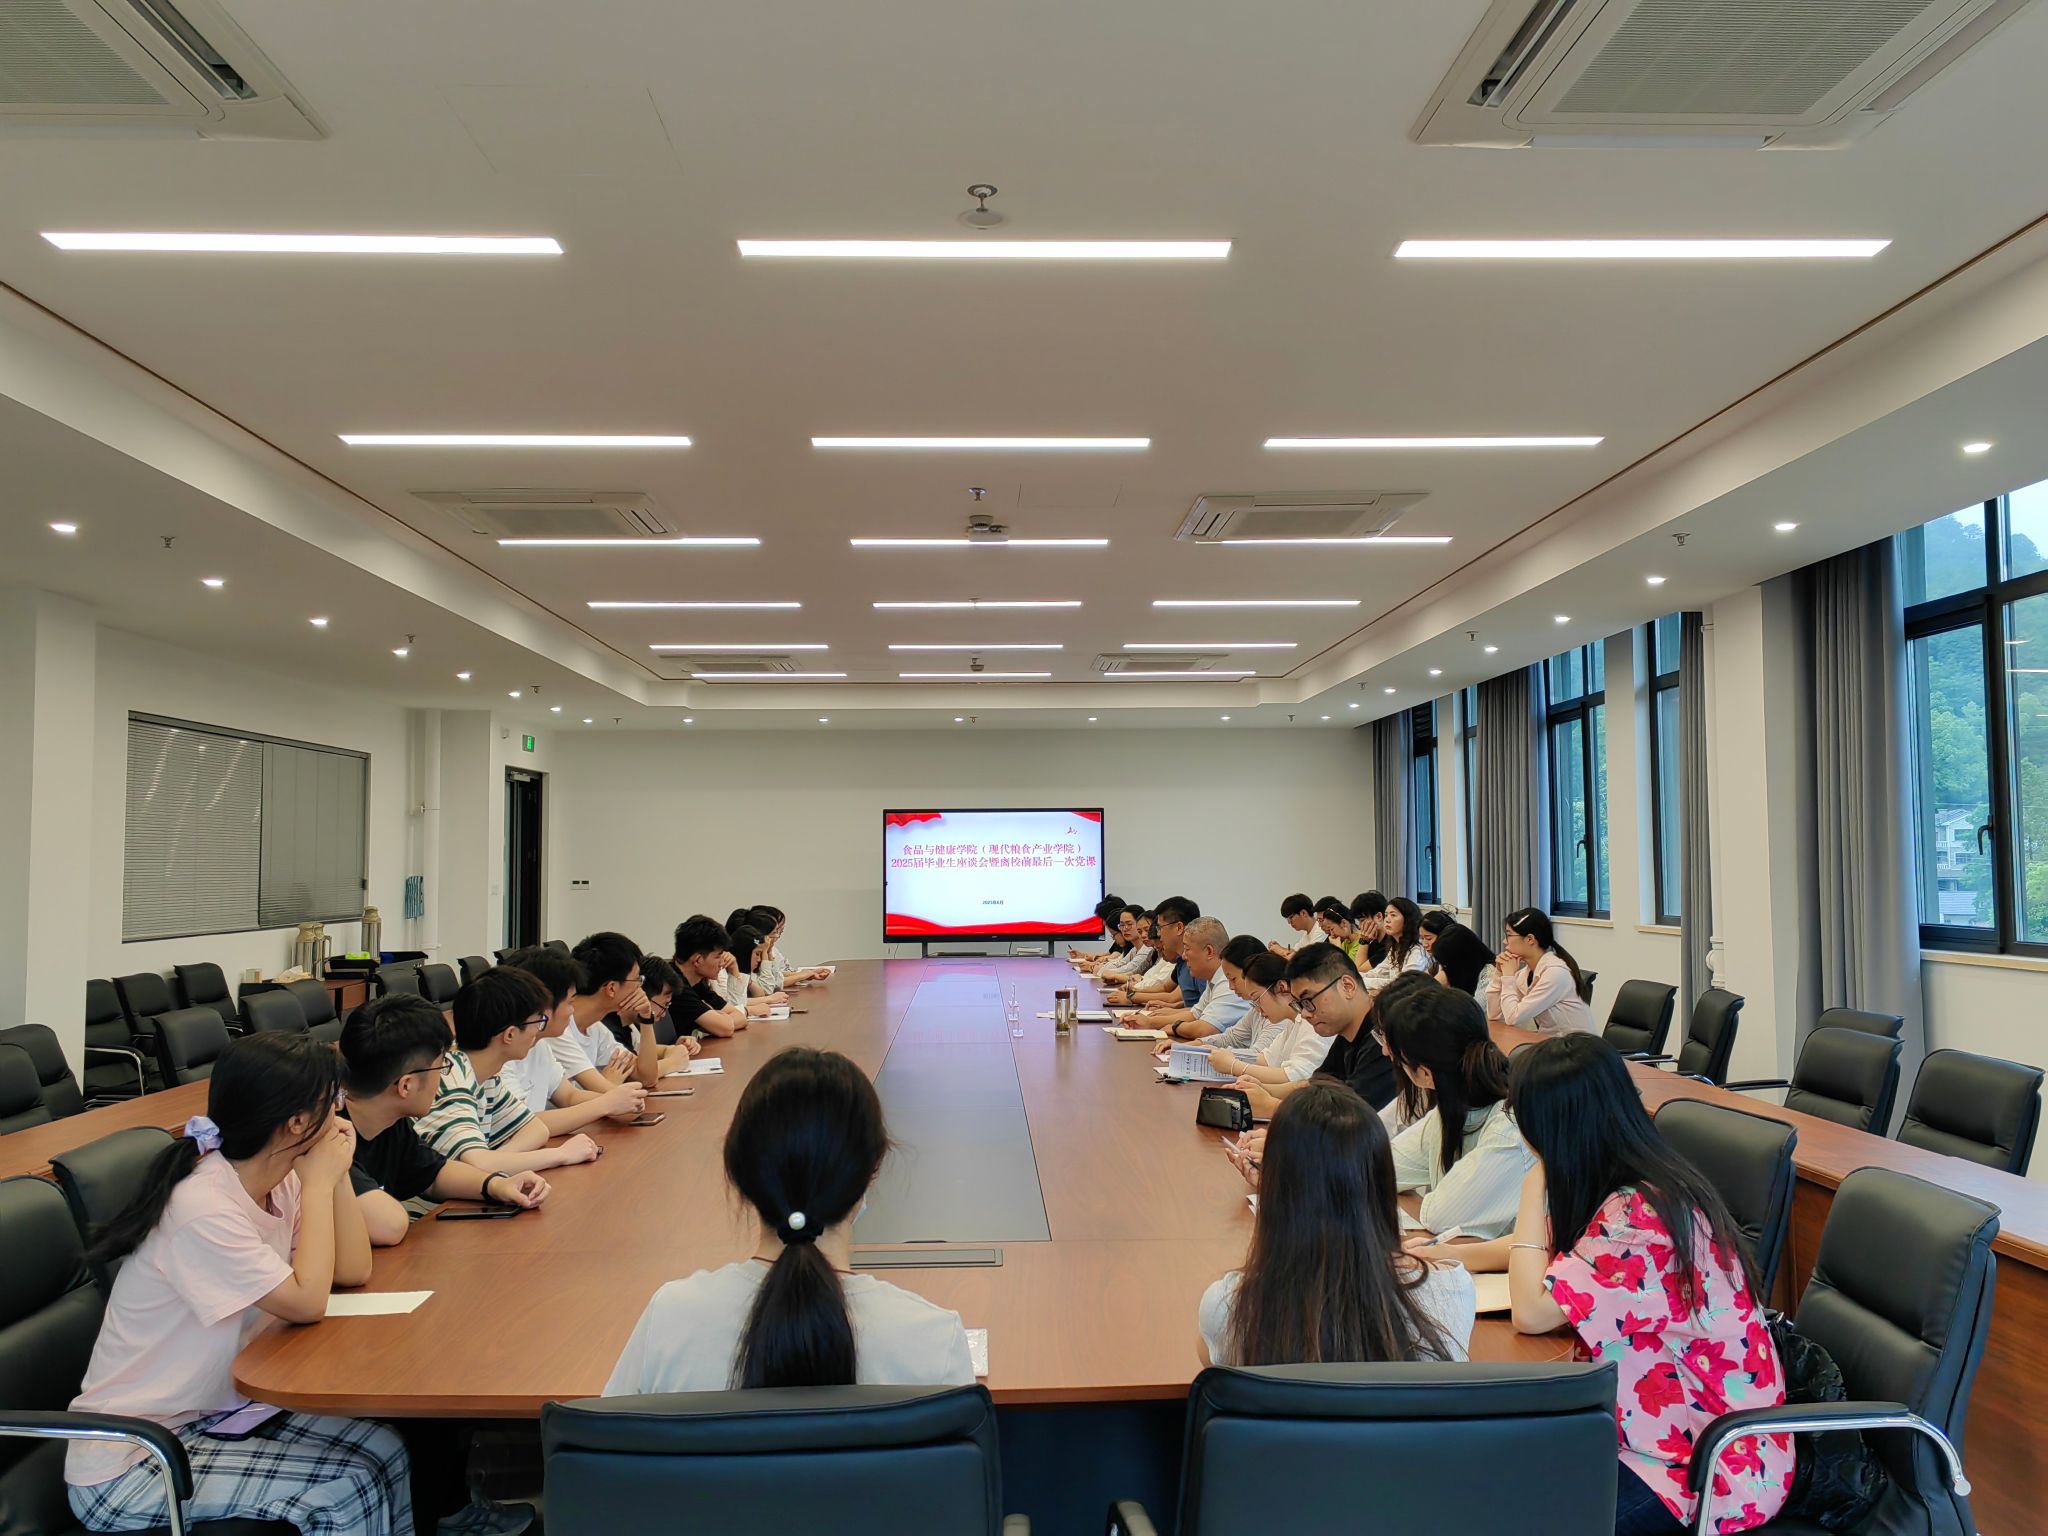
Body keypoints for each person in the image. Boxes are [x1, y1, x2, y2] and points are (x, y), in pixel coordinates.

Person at [63, 1033, 410, 1536]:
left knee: (386, 1449)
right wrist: (318, 1182)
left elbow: (352, 1270)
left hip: (219, 1413)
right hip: (136, 1460)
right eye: (333, 1100)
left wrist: (335, 1177)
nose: (341, 1112)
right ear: (297, 1123)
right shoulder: (204, 1208)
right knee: (347, 1488)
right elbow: (307, 1302)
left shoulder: (279, 1182)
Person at [1504, 1035, 1793, 1535]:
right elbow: (1544, 1252)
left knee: (1517, 1515)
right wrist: (1439, 1255)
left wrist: (1537, 1177)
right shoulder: (1628, 1186)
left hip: (1709, 1465)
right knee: (1500, 1482)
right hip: (1644, 1433)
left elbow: (1531, 1311)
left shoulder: (1641, 1220)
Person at [604, 1048, 975, 1392]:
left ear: (738, 1171)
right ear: (871, 1171)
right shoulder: (933, 1340)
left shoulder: (670, 1321)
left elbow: (606, 1437)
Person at [1201, 1080, 1473, 1367]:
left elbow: (1216, 1370)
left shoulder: (1230, 1307)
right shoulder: (1452, 1292)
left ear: (1277, 1197)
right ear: (1382, 1183)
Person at [339, 995, 550, 1246]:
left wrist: (497, 1185)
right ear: (406, 1085)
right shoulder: (330, 1135)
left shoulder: (389, 1122)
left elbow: (434, 1173)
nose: (444, 1078)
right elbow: (389, 1226)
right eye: (442, 1067)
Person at [1379, 983, 1533, 1240]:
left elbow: (1438, 1219)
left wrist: (1403, 1198)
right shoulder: (1457, 1108)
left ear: (1425, 1074)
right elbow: (1378, 1168)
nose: (1384, 1051)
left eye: (1396, 1056)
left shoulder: (1510, 1128)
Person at [418, 966, 604, 1176]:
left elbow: (537, 1129)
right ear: (510, 1035)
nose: (537, 1031)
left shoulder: (486, 1077)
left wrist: (499, 1160)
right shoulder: (453, 1079)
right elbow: (478, 1166)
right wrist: (561, 1154)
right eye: (537, 1022)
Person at [501, 946, 649, 1129]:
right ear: (543, 1007)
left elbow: (569, 1096)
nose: (572, 1011)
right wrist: (605, 1104)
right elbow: (523, 1124)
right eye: (570, 1002)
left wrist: (618, 1100)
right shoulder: (501, 1055)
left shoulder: (539, 1045)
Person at [1203, 951, 1332, 1084]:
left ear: (1281, 987)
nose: (1257, 1009)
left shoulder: (1313, 1022)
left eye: (1257, 998)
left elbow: (1295, 1077)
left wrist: (1234, 1066)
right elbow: (1266, 1059)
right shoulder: (1293, 1023)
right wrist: (1222, 1054)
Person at [555, 931, 653, 1091]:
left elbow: (646, 1078)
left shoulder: (595, 1028)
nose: (640, 987)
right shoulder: (559, 1030)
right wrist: (610, 1084)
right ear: (611, 988)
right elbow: (609, 1095)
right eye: (637, 979)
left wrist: (646, 1018)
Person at [1486, 906, 1596, 1048]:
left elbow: (1513, 1017)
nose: (1504, 941)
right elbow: (1495, 1014)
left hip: (1579, 1050)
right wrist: (1499, 974)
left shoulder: (1555, 974)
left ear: (1530, 939)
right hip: (1553, 1045)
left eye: (1509, 935)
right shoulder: (1526, 973)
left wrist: (1508, 977)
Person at [1141, 917, 1252, 1041]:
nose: (1184, 956)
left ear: (1209, 951)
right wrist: (1150, 1021)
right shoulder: (1214, 978)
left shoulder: (1228, 982)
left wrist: (1173, 1027)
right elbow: (1194, 1014)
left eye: (1187, 949)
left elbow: (1204, 1030)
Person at [671, 915, 750, 1038]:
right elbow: (725, 1028)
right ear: (698, 960)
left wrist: (718, 1018)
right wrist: (719, 1019)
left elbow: (740, 1017)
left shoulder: (697, 983)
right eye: (718, 957)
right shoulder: (674, 985)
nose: (722, 963)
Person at [1430, 921, 1493, 1000]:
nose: (1443, 970)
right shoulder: (1465, 973)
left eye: (1446, 966)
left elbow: (1471, 1007)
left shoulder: (1489, 979)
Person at [1383, 897, 1429, 974]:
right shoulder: (1396, 945)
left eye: (1393, 915)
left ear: (1408, 919)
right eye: (1386, 915)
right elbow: (1379, 971)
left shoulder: (1417, 949)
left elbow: (1407, 980)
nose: (1387, 920)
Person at [1268, 892, 1318, 959]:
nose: (1289, 922)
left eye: (1291, 917)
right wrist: (1278, 947)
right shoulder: (1307, 933)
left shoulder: (1320, 930)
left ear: (1303, 913)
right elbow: (1295, 952)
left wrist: (1279, 950)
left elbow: (1304, 960)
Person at [1351, 891, 1391, 968]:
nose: (1360, 926)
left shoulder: (1389, 945)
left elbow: (1359, 969)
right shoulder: (1374, 943)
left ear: (1379, 917)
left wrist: (1364, 941)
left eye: (1362, 920)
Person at [1418, 908, 1454, 972]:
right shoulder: (1438, 964)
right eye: (1422, 938)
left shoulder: (1453, 964)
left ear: (1444, 935)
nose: (1424, 944)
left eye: (1429, 938)